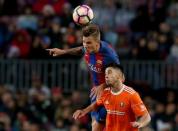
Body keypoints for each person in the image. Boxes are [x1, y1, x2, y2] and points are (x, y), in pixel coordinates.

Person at [46, 24, 120, 131]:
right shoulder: (88, 48)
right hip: (96, 93)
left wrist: (103, 85)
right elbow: (81, 50)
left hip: (110, 93)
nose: (86, 45)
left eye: (88, 43)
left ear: (97, 43)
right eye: (84, 42)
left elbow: (120, 77)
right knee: (95, 126)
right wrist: (63, 51)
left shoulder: (109, 56)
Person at [73, 63, 151, 131]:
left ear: (120, 77)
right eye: (105, 74)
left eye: (109, 72)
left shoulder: (131, 94)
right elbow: (96, 104)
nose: (106, 76)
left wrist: (140, 123)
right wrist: (84, 111)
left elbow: (146, 116)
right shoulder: (106, 92)